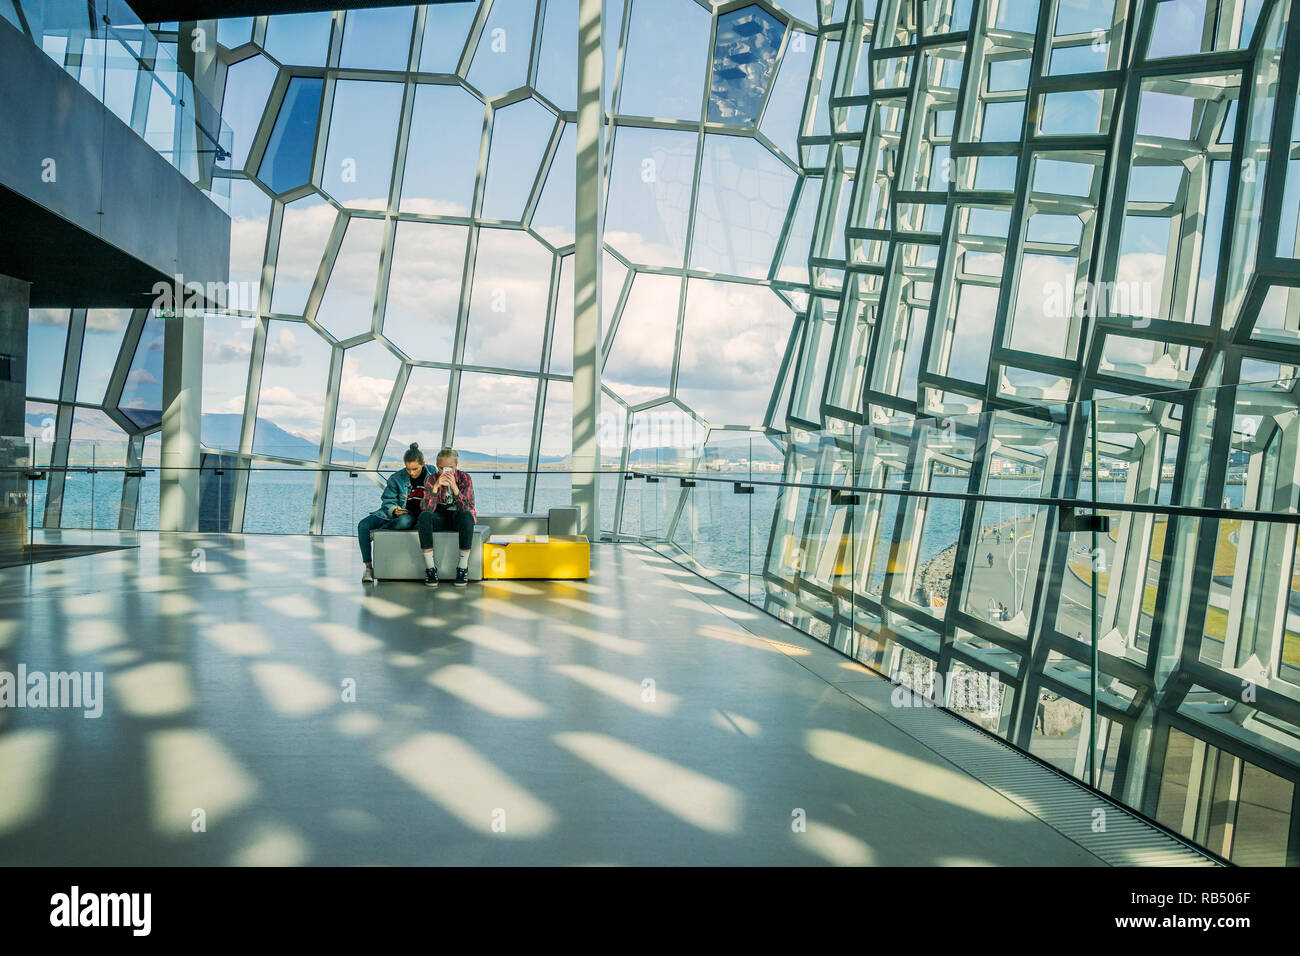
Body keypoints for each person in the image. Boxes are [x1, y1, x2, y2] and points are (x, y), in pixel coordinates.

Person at [357, 443, 441, 583]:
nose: (412, 473)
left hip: (413, 517)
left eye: (415, 469)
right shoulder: (397, 478)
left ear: (423, 464)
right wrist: (394, 509)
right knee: (363, 526)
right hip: (391, 515)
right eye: (408, 469)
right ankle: (368, 568)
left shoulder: (432, 474)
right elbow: (387, 500)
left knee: (405, 521)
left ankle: (379, 533)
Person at [415, 447, 477, 587]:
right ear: (437, 466)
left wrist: (455, 488)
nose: (446, 472)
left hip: (457, 518)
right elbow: (427, 508)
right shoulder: (432, 479)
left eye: (450, 468)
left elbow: (468, 507)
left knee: (467, 516)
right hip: (440, 518)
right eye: (442, 468)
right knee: (424, 516)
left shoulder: (465, 478)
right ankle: (430, 569)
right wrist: (436, 487)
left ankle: (462, 567)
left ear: (456, 466)